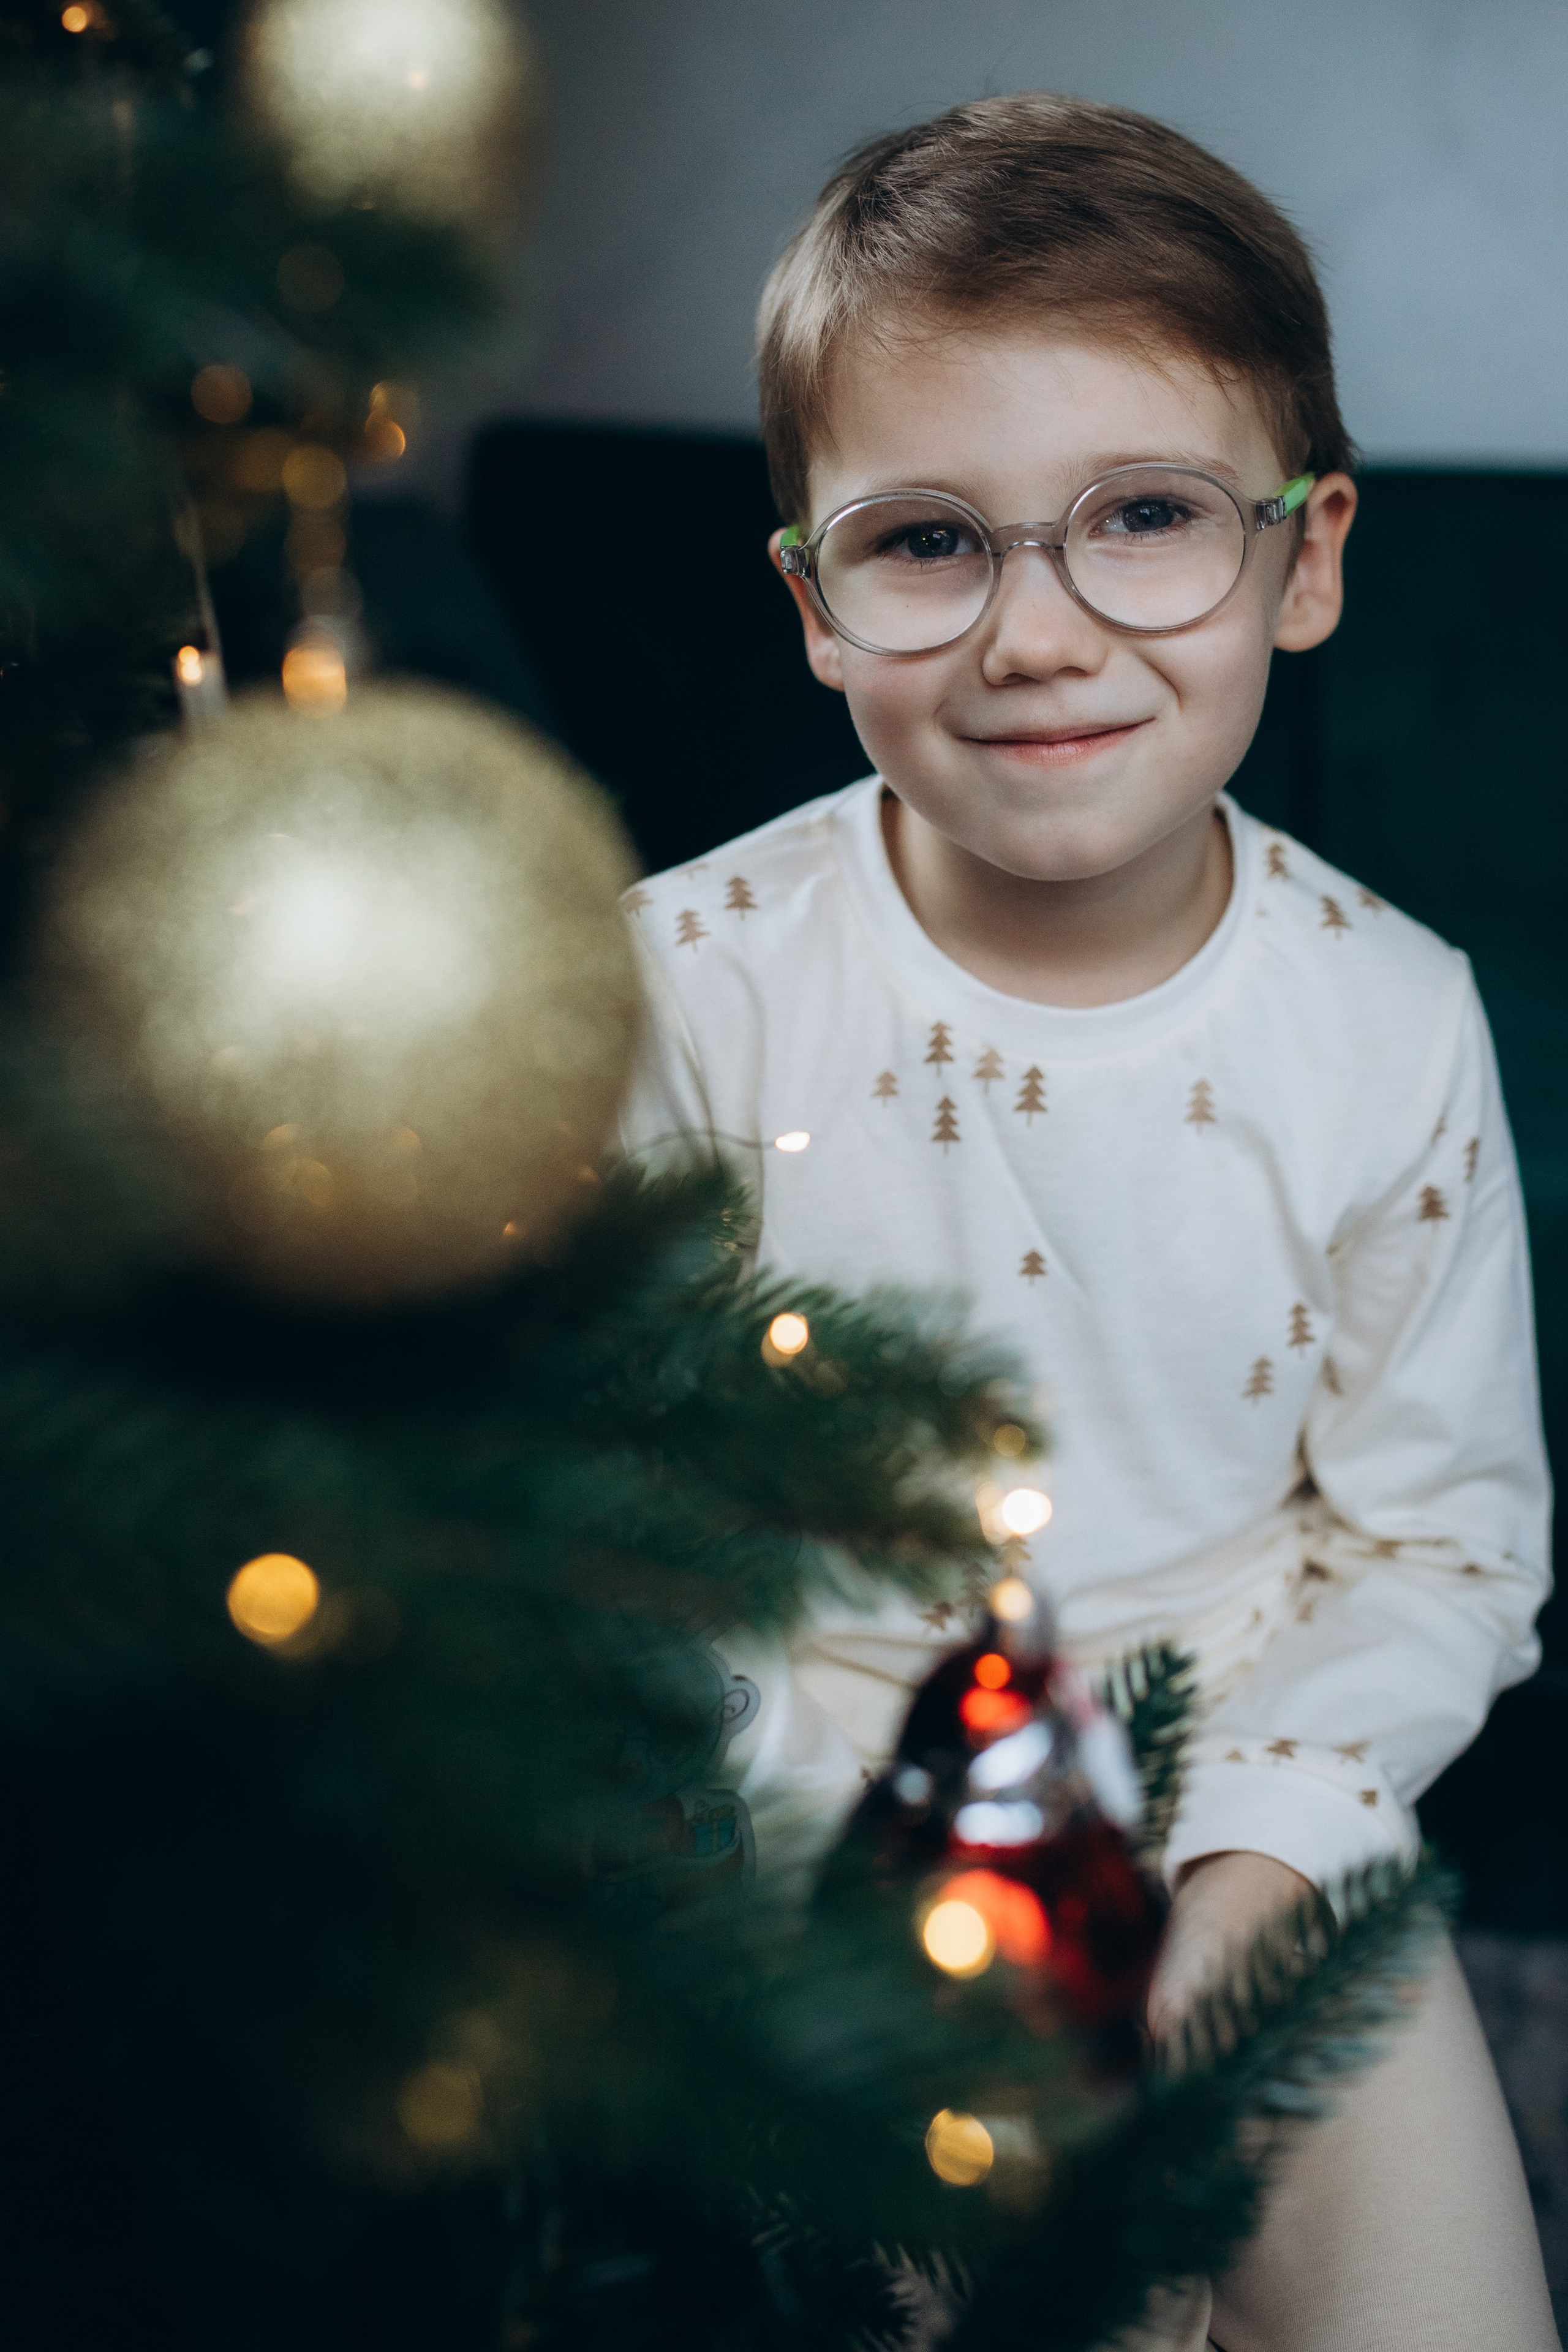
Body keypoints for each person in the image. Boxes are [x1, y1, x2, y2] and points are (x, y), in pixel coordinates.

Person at [619, 92, 1559, 2351]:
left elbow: (1447, 1545)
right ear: (814, 606)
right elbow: (622, 1520)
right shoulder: (683, 986)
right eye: (930, 541)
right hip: (834, 1818)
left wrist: (1257, 1858)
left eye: (1145, 517)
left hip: (1255, 1774)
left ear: (1305, 563)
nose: (1039, 634)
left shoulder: (1393, 1021)